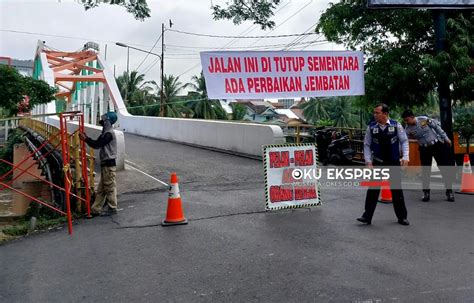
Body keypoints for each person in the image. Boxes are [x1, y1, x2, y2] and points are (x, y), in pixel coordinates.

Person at [357, 103, 410, 226]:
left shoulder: (396, 125)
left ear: (385, 114)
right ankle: (367, 216)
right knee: (373, 190)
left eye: (377, 113)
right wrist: (368, 161)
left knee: (396, 190)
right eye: (374, 112)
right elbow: (367, 145)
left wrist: (406, 157)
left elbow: (404, 141)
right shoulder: (371, 127)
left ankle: (402, 217)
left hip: (393, 162)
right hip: (378, 162)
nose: (374, 115)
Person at [402, 110, 455, 202]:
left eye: (407, 120)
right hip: (424, 149)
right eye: (405, 121)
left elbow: (437, 128)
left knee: (443, 168)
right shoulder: (408, 129)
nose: (406, 122)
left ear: (412, 116)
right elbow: (404, 141)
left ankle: (449, 191)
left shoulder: (424, 120)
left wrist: (446, 138)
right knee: (426, 171)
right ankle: (426, 193)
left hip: (436, 146)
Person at [79, 112, 118, 216]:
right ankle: (95, 209)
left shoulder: (109, 134)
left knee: (109, 187)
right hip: (105, 165)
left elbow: (98, 144)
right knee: (101, 189)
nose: (102, 122)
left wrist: (85, 139)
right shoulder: (105, 133)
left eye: (104, 120)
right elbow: (96, 144)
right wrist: (86, 138)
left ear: (108, 122)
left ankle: (112, 208)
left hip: (109, 165)